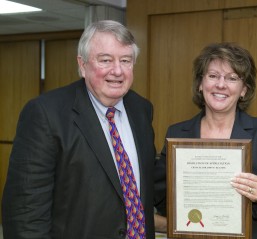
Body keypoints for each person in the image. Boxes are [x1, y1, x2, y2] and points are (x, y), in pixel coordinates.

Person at [2, 20, 157, 239]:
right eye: (105, 60)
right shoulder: (46, 114)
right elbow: (26, 213)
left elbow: (151, 181)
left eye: (126, 60)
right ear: (82, 65)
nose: (118, 70)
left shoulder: (141, 109)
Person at [154, 42, 257, 238]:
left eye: (232, 78)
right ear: (200, 84)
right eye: (213, 76)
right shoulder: (178, 133)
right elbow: (160, 195)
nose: (220, 84)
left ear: (244, 90)